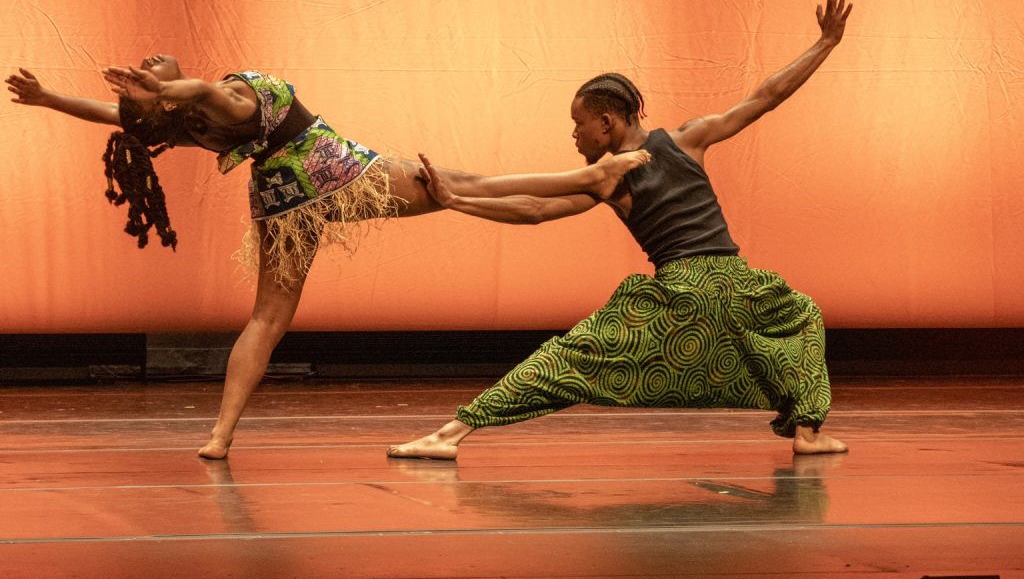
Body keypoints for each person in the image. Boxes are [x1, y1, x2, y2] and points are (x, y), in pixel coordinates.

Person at [5, 57, 649, 459]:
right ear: (170, 98)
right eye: (155, 72)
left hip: (281, 195)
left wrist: (50, 99)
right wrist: (172, 85)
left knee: (268, 316)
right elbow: (201, 93)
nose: (150, 61)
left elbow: (122, 115)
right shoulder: (222, 96)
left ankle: (220, 435)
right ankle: (595, 178)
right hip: (332, 170)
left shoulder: (183, 121)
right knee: (463, 187)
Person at [388, 0, 853, 460]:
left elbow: (532, 207)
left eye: (578, 124)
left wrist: (457, 198)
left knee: (569, 359)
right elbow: (765, 97)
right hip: (737, 286)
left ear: (606, 122)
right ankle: (808, 432)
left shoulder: (607, 176)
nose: (573, 133)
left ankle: (449, 436)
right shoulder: (689, 138)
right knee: (803, 317)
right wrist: (824, 43)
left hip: (681, 294)